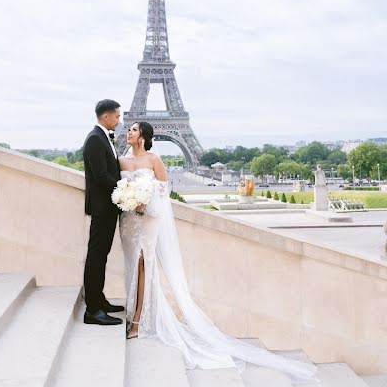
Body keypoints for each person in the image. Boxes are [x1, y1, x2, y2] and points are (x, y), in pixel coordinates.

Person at [119, 121, 319, 384]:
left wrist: (146, 203)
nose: (129, 133)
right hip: (130, 220)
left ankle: (137, 320)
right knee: (134, 264)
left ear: (143, 136)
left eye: (133, 130)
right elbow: (118, 188)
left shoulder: (155, 159)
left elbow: (163, 190)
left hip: (149, 217)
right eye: (129, 130)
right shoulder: (121, 160)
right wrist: (129, 200)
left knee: (145, 263)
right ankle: (136, 311)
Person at [83, 99, 124, 326]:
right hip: (102, 208)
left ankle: (99, 300)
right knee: (96, 257)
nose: (119, 121)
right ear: (106, 116)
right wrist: (124, 189)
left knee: (101, 256)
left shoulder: (102, 138)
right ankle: (93, 310)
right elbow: (100, 176)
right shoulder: (95, 140)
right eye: (117, 116)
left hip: (107, 207)